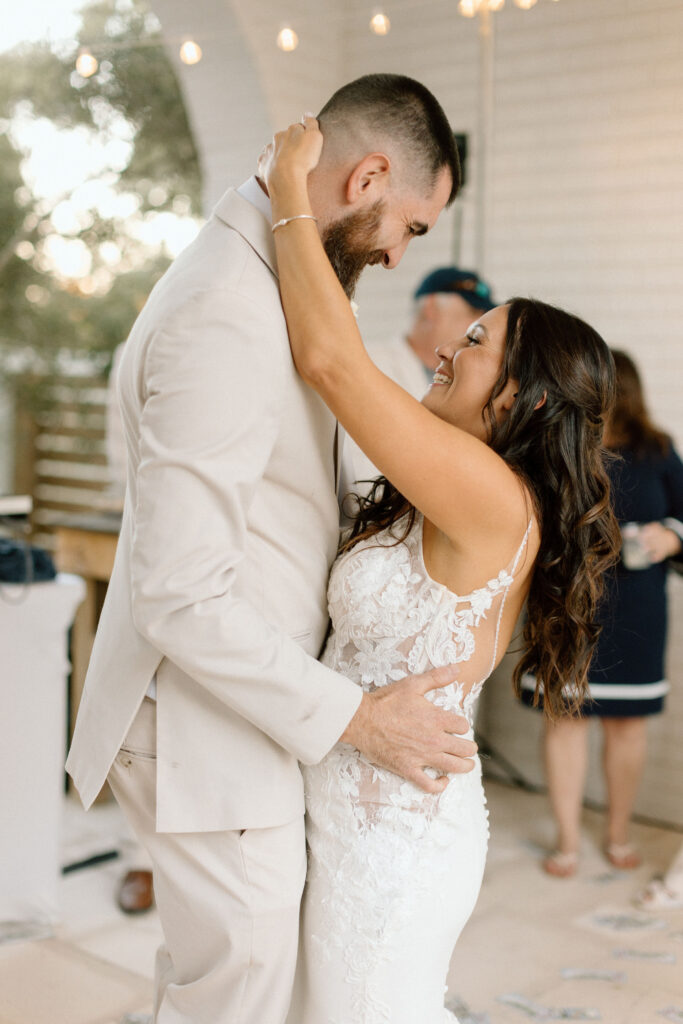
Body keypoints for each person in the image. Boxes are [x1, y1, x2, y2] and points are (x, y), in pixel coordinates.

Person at [66, 74, 476, 1024]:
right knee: (236, 1005)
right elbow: (178, 593)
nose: (399, 253)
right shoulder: (227, 306)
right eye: (410, 227)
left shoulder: (274, 275)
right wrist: (358, 719)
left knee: (227, 993)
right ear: (368, 176)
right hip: (207, 732)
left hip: (240, 723)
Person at [260, 117, 620, 1024]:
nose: (444, 351)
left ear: (523, 395)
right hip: (339, 810)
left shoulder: (493, 497)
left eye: (475, 344)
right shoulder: (443, 488)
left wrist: (286, 194)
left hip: (393, 850)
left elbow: (329, 360)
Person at [521, 349, 683, 877]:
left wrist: (671, 534)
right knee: (564, 721)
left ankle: (616, 833)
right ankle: (568, 839)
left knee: (626, 728)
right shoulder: (555, 442)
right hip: (567, 605)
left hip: (637, 611)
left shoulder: (658, 451)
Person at [350, 266, 496, 485]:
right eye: (472, 314)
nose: (475, 328)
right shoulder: (368, 363)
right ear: (431, 308)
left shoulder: (463, 384)